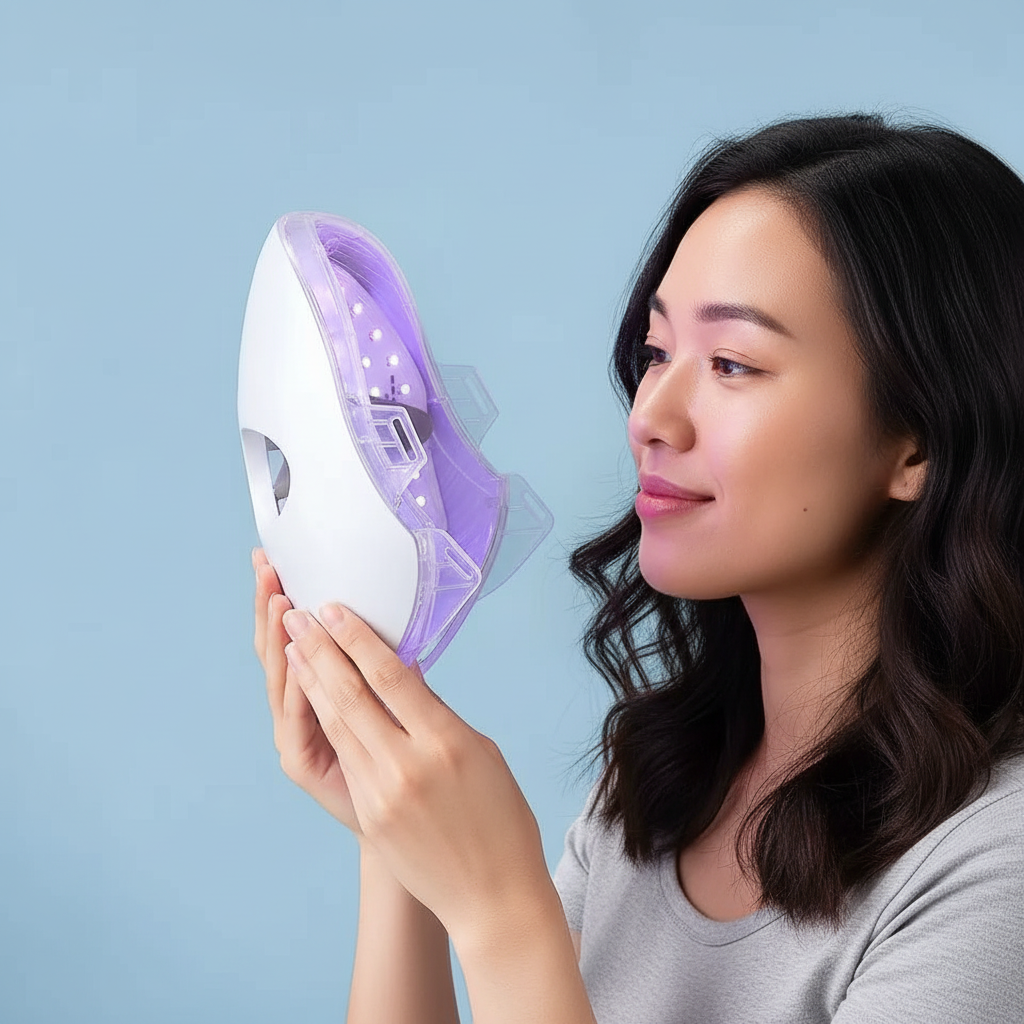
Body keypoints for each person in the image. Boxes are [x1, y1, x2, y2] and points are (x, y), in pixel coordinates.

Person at [252, 110, 1024, 1023]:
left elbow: (514, 951)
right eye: (657, 352)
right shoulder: (658, 791)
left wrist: (503, 913)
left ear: (919, 443)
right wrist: (396, 843)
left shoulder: (993, 868)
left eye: (733, 363)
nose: (653, 413)